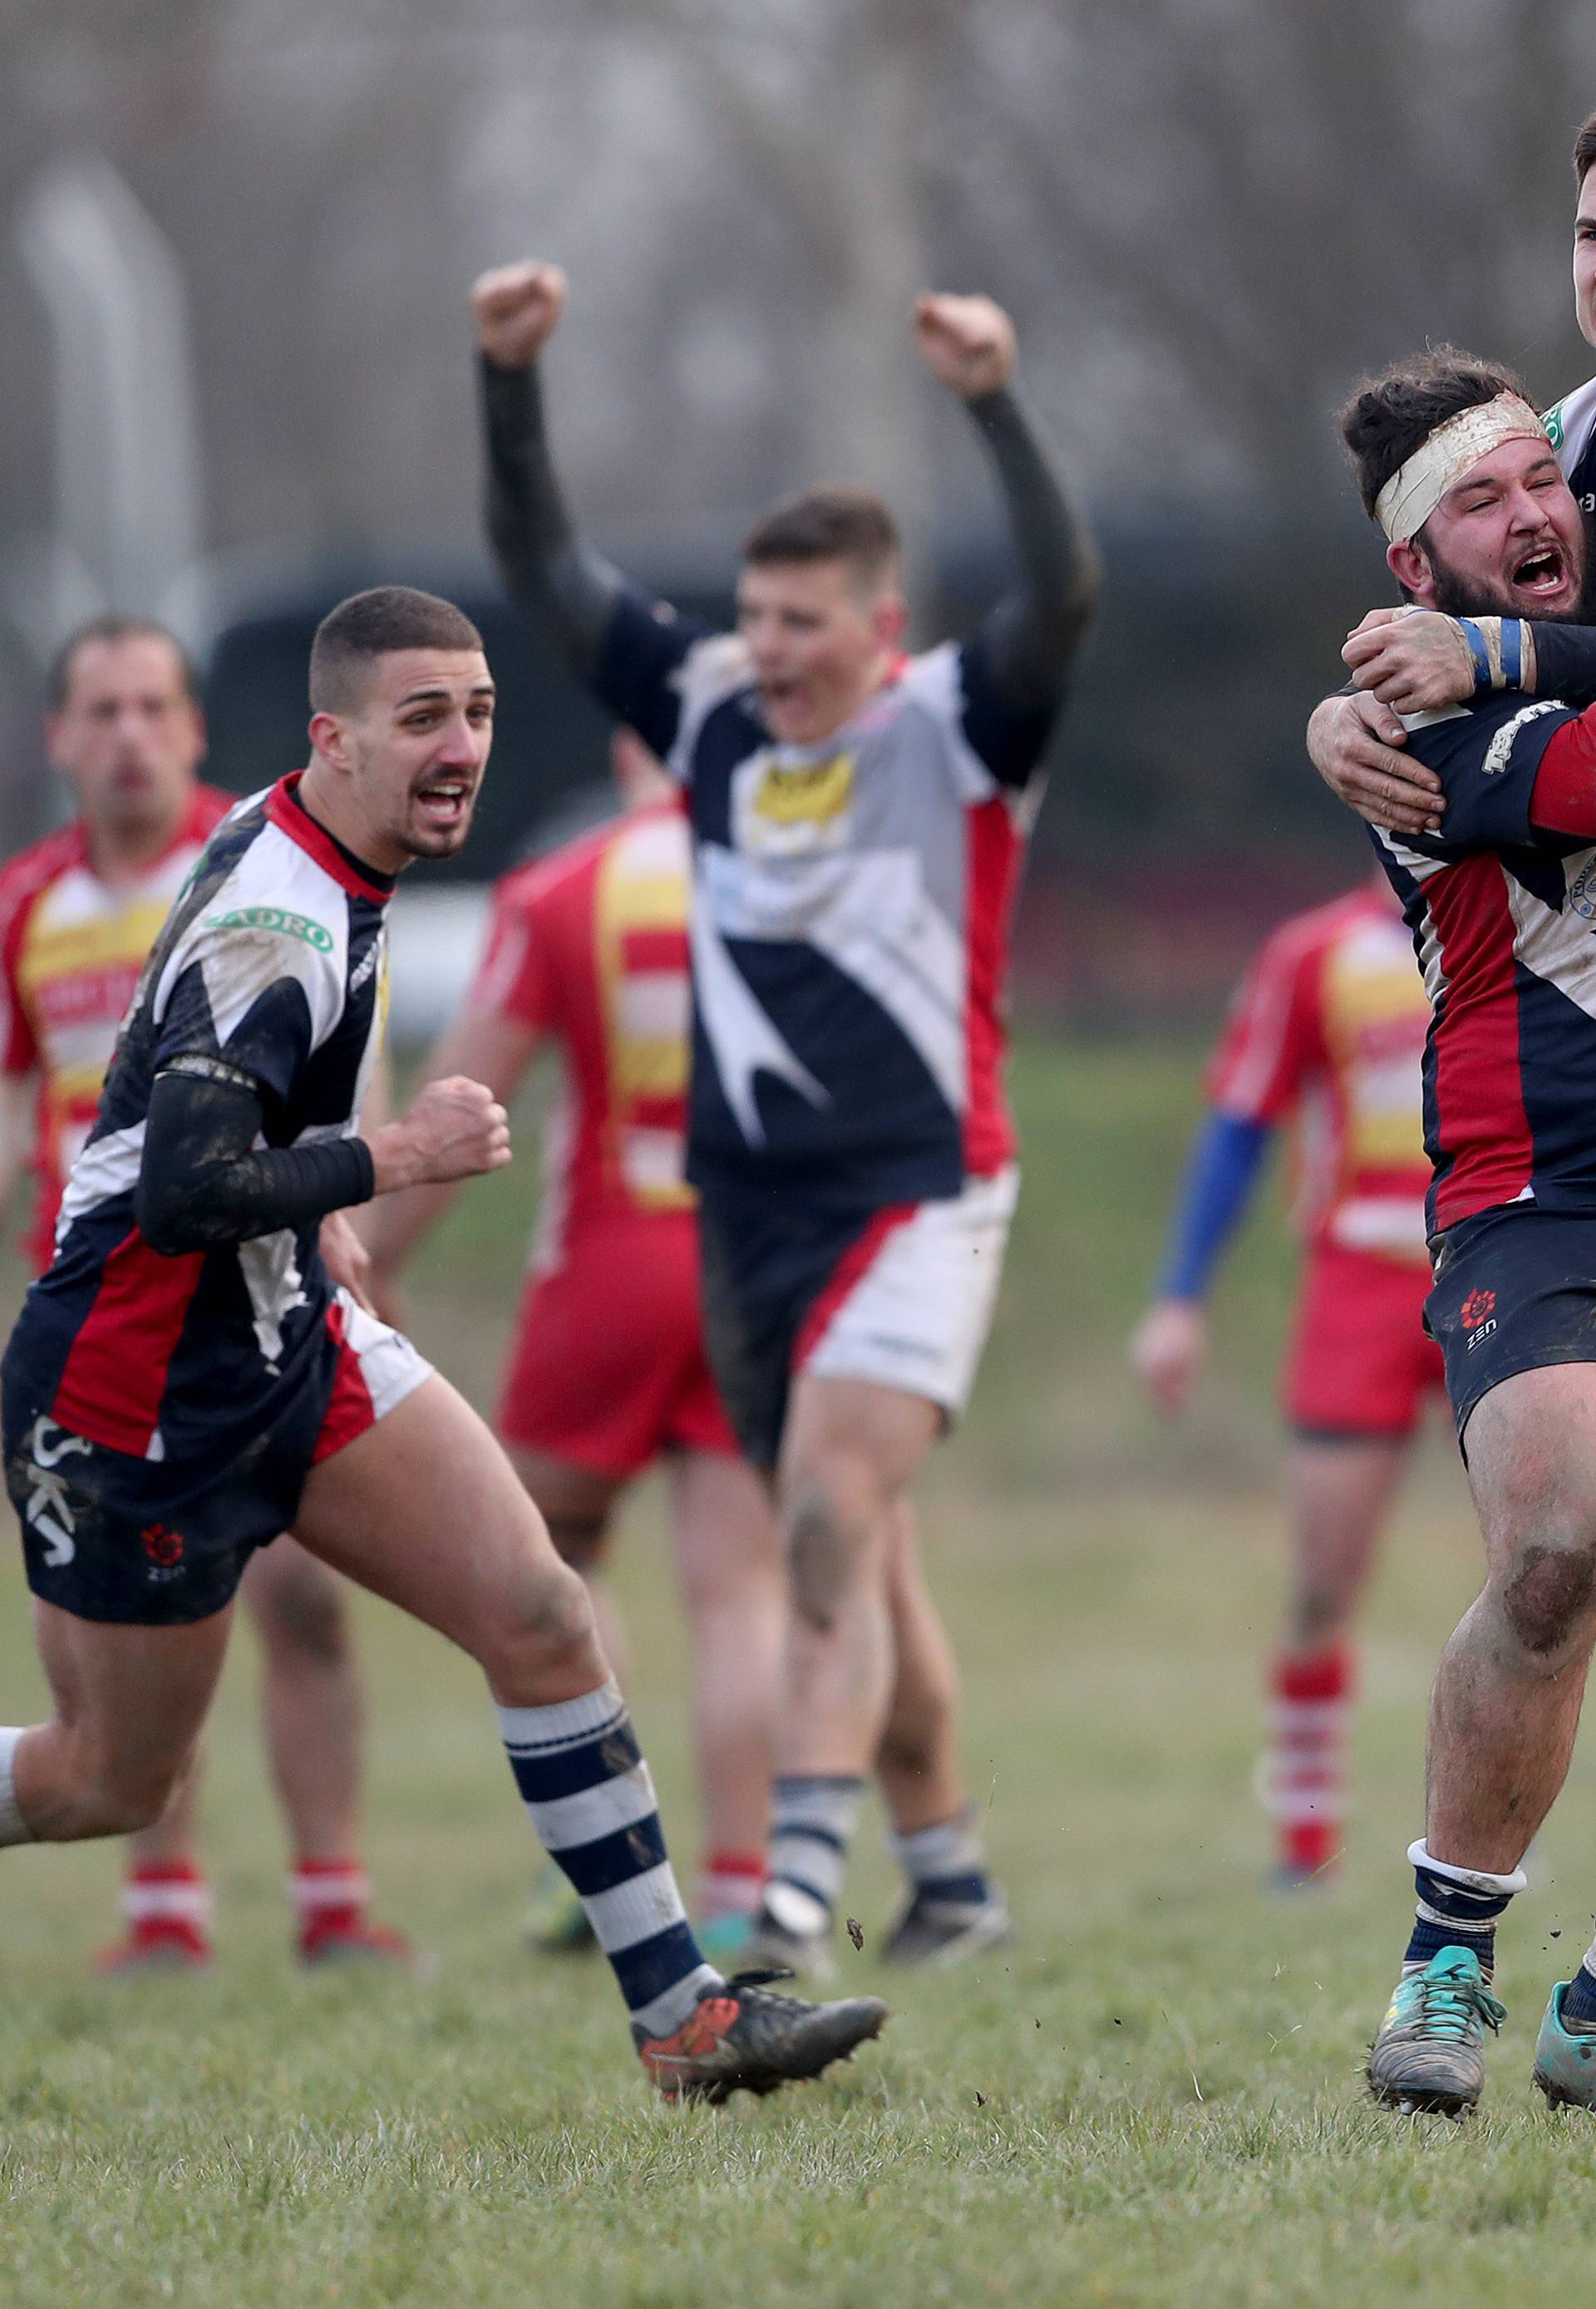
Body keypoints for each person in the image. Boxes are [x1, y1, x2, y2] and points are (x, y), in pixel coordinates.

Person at [0, 583, 886, 2101]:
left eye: (475, 711)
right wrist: (389, 1158)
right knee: (107, 1776)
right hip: (135, 1382)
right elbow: (184, 1178)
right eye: (424, 718)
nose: (461, 745)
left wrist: (324, 1205)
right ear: (331, 739)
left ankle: (684, 2019)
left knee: (543, 1611)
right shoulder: (279, 917)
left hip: (289, 1328)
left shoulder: (318, 841)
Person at [471, 259, 1100, 1972]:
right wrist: (508, 379)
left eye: (804, 623)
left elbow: (1065, 590)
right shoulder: (706, 718)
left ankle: (797, 1905)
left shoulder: (962, 723)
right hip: (746, 1218)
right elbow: (540, 567)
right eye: (754, 618)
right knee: (863, 1565)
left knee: (823, 1517)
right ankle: (953, 1881)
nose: (770, 650)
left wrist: (993, 402)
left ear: (881, 631)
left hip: (922, 1188)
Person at [0, 614, 407, 1972]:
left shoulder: (260, 874)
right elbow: (18, 1122)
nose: (126, 733)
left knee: (301, 1598)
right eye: (98, 708)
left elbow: (349, 1091)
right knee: (115, 1655)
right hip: (107, 1327)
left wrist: (349, 1217)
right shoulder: (26, 911)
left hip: (259, 1299)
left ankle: (332, 1899)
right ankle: (163, 1912)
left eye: (150, 706)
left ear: (191, 727)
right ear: (59, 735)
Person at [364, 726, 783, 1961]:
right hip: (750, 1271)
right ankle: (749, 1881)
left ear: (623, 748)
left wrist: (374, 1261)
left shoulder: (561, 888)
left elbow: (462, 1094)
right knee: (739, 1586)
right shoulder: (787, 881)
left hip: (608, 1262)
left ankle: (598, 1870)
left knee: (549, 1551)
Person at [1310, 346, 1596, 2119]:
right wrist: (1480, 669)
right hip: (1533, 1186)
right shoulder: (1418, 717)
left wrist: (1515, 637)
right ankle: (1451, 1958)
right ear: (1410, 574)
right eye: (1476, 509)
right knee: (1558, 1545)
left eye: (1538, 482)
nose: (1529, 517)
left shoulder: (1503, 639)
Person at [1130, 874, 1441, 1886]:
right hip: (1360, 1281)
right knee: (1321, 1580)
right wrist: (1179, 1298)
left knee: (1556, 1568)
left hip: (1510, 1265)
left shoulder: (1554, 915)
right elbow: (1237, 1124)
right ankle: (1305, 1850)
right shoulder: (1315, 953)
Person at [1308, 106, 1596, 832]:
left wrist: (1495, 649)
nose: (1530, 508)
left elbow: (1482, 644)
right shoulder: (1555, 442)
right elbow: (1448, 616)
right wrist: (1344, 713)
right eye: (1592, 237)